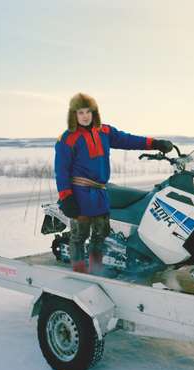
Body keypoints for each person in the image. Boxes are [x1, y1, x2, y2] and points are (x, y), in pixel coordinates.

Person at [54, 93, 173, 274]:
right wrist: (66, 197)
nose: (85, 116)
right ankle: (79, 271)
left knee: (101, 235)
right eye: (80, 112)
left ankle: (96, 270)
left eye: (89, 112)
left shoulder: (105, 132)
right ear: (74, 115)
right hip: (80, 193)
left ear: (95, 113)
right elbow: (61, 171)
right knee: (79, 236)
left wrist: (154, 143)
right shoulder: (67, 138)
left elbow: (129, 140)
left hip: (101, 192)